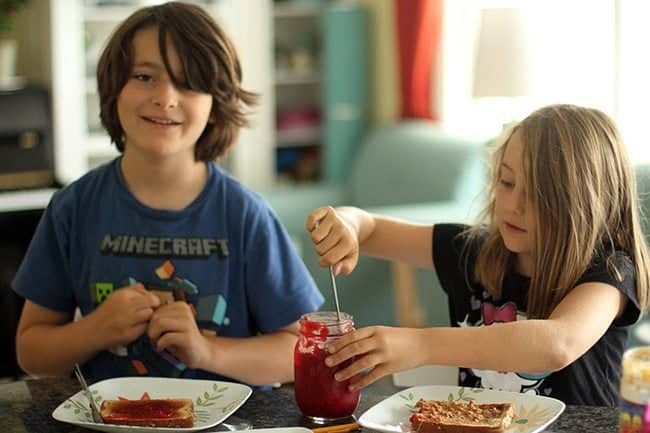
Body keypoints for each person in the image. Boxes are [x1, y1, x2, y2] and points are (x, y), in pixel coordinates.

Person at [13, 1, 323, 385]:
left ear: (216, 104)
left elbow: (300, 350)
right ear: (114, 88)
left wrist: (208, 351)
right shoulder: (72, 209)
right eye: (145, 76)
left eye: (189, 83)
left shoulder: (245, 215)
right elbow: (31, 352)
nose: (166, 98)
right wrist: (94, 330)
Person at [306, 104, 650, 406]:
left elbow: (556, 344)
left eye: (538, 194)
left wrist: (421, 344)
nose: (514, 206)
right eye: (507, 182)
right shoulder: (475, 251)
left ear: (585, 204)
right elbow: (371, 229)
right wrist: (348, 225)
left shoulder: (610, 273)